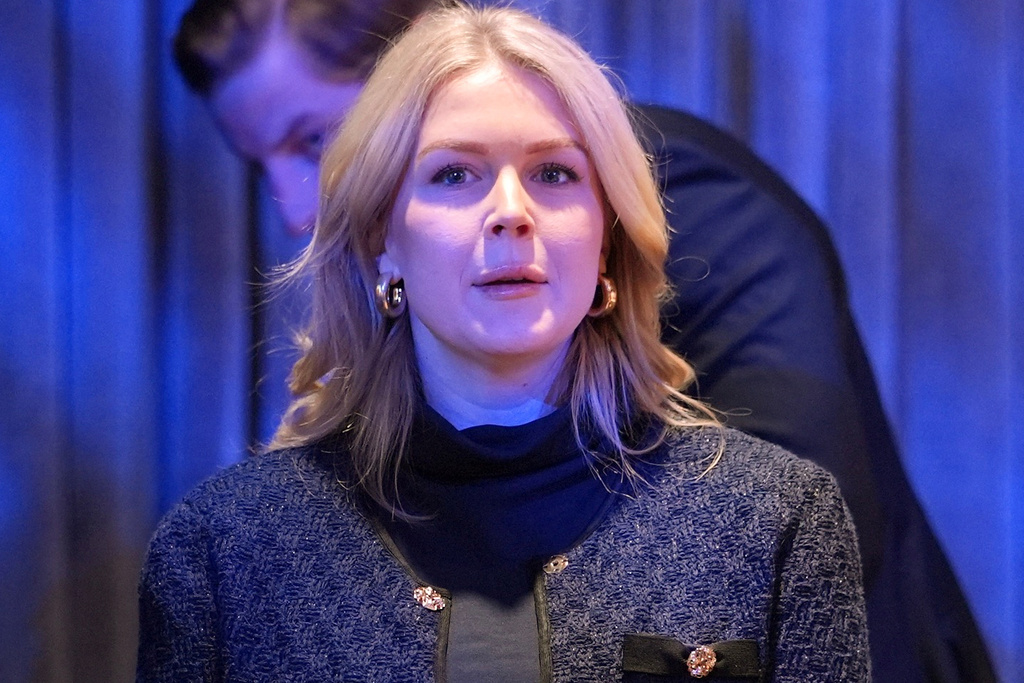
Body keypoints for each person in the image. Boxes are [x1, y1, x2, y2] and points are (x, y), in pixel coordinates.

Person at [170, 1, 996, 681]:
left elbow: (799, 527)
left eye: (311, 138)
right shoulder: (236, 537)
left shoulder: (691, 203)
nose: (291, 203)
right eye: (262, 162)